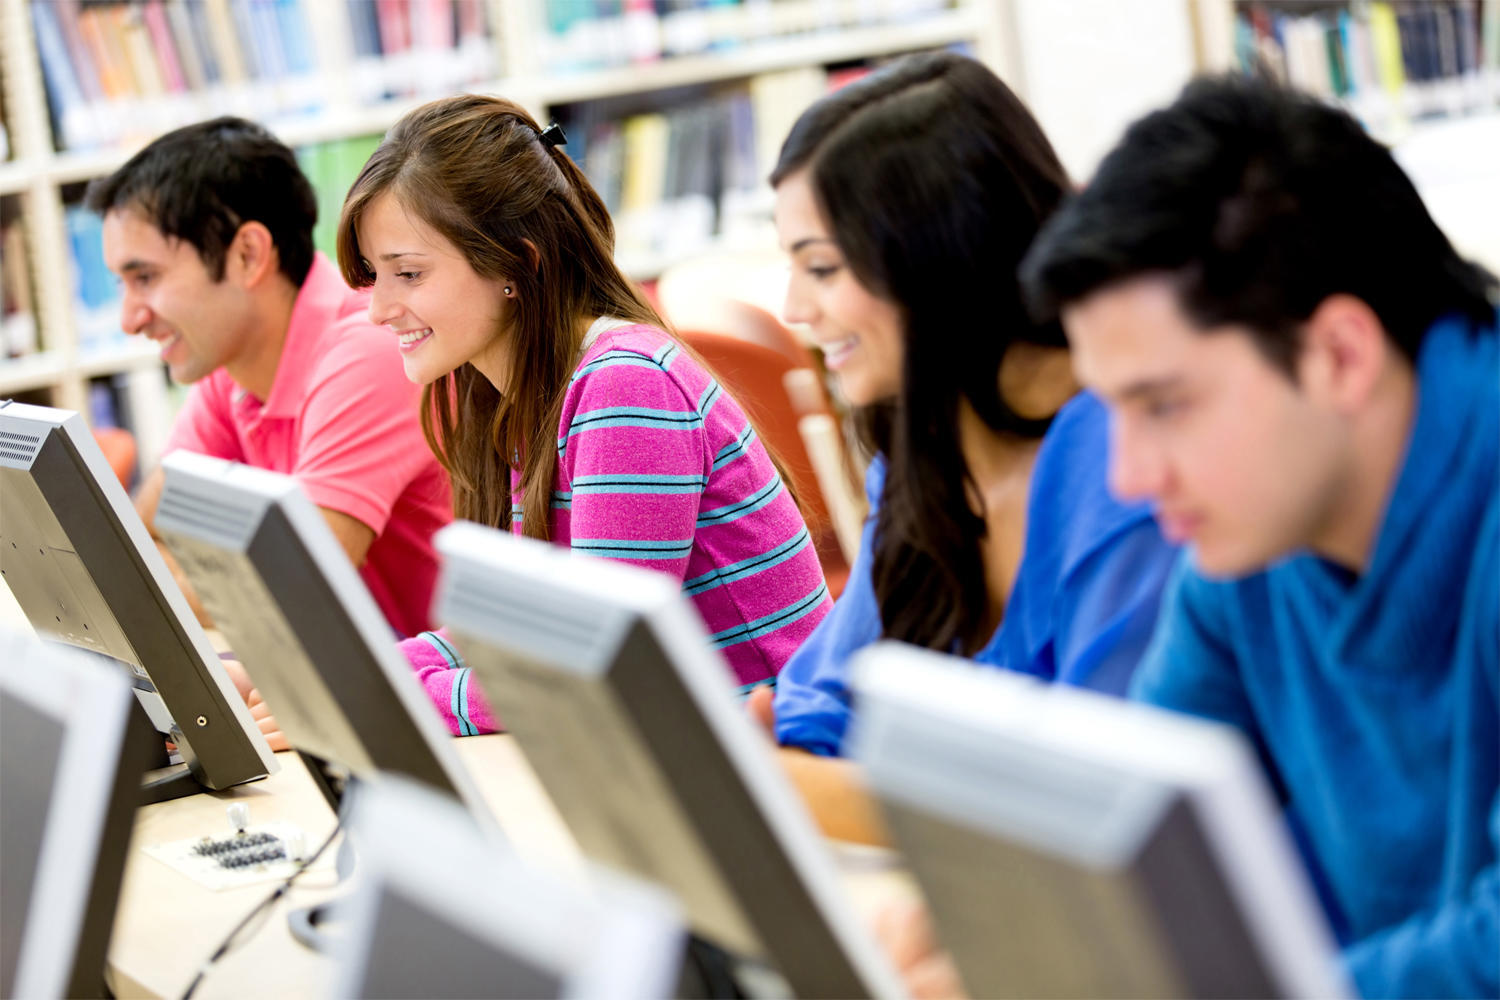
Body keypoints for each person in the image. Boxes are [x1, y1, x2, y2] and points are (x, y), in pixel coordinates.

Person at [972, 76, 1499, 999]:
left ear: (1339, 355)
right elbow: (1134, 834)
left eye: (1165, 406)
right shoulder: (1257, 535)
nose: (1129, 477)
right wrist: (990, 930)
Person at [759, 52, 1179, 843]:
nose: (794, 309)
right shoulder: (924, 454)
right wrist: (794, 769)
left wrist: (795, 786)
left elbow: (1088, 820)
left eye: (821, 267)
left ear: (937, 254)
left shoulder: (1128, 472)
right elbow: (813, 707)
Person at [334, 94, 832, 735]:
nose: (377, 310)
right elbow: (512, 631)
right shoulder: (526, 395)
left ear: (518, 262)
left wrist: (381, 696)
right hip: (688, 755)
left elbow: (596, 669)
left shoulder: (626, 387)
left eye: (407, 274)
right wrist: (351, 675)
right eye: (375, 275)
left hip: (780, 764)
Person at [91, 118, 453, 747]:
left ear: (248, 255)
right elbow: (136, 542)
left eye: (145, 277)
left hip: (451, 717)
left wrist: (200, 587)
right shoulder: (230, 363)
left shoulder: (370, 348)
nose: (129, 318)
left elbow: (293, 596)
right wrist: (213, 586)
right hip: (362, 700)